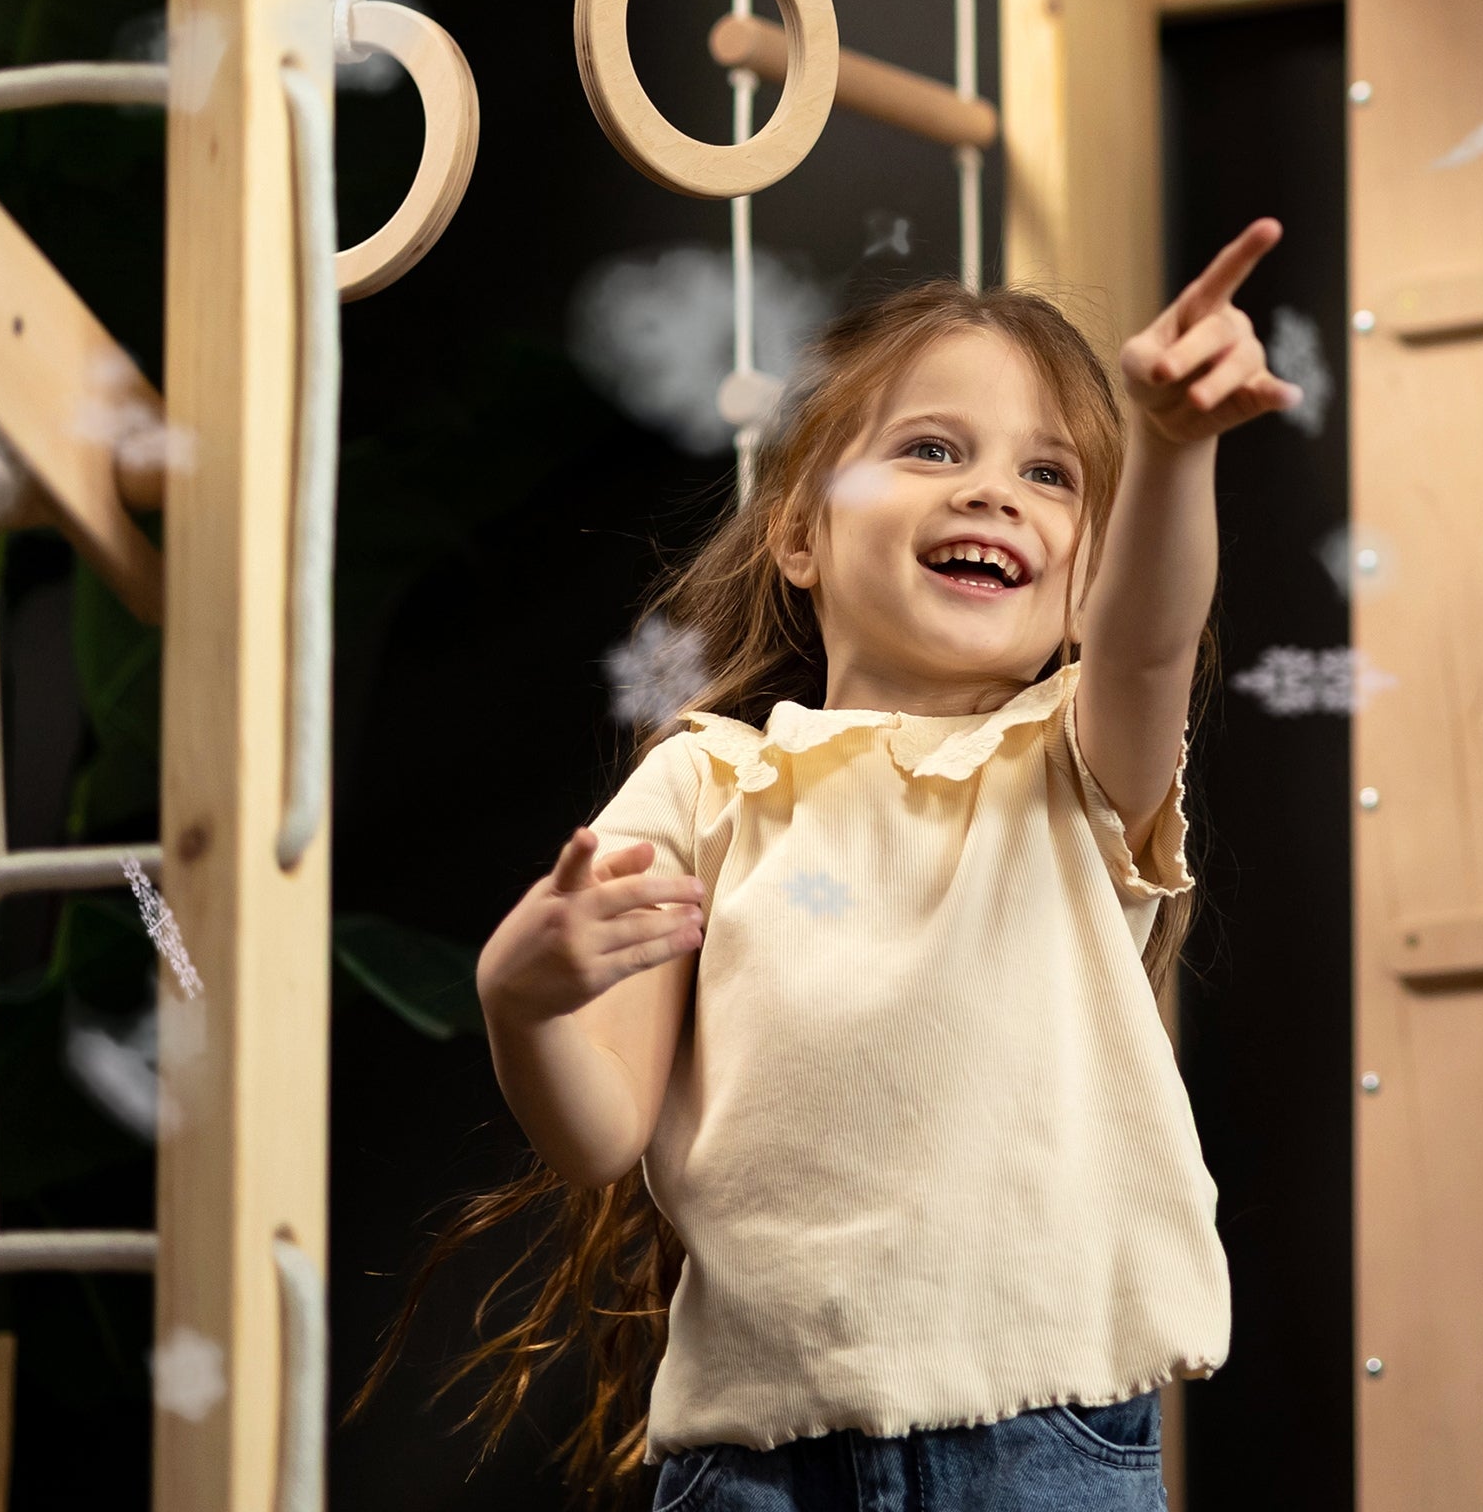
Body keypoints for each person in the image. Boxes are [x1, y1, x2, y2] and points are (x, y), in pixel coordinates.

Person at [377, 229, 1298, 1509]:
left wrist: (1172, 440)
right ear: (802, 534)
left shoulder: (1074, 769)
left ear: (1088, 580)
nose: (992, 492)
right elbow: (598, 1137)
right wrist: (518, 1000)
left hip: (1045, 1453)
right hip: (758, 1469)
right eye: (932, 448)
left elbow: (1153, 642)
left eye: (1052, 475)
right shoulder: (707, 786)